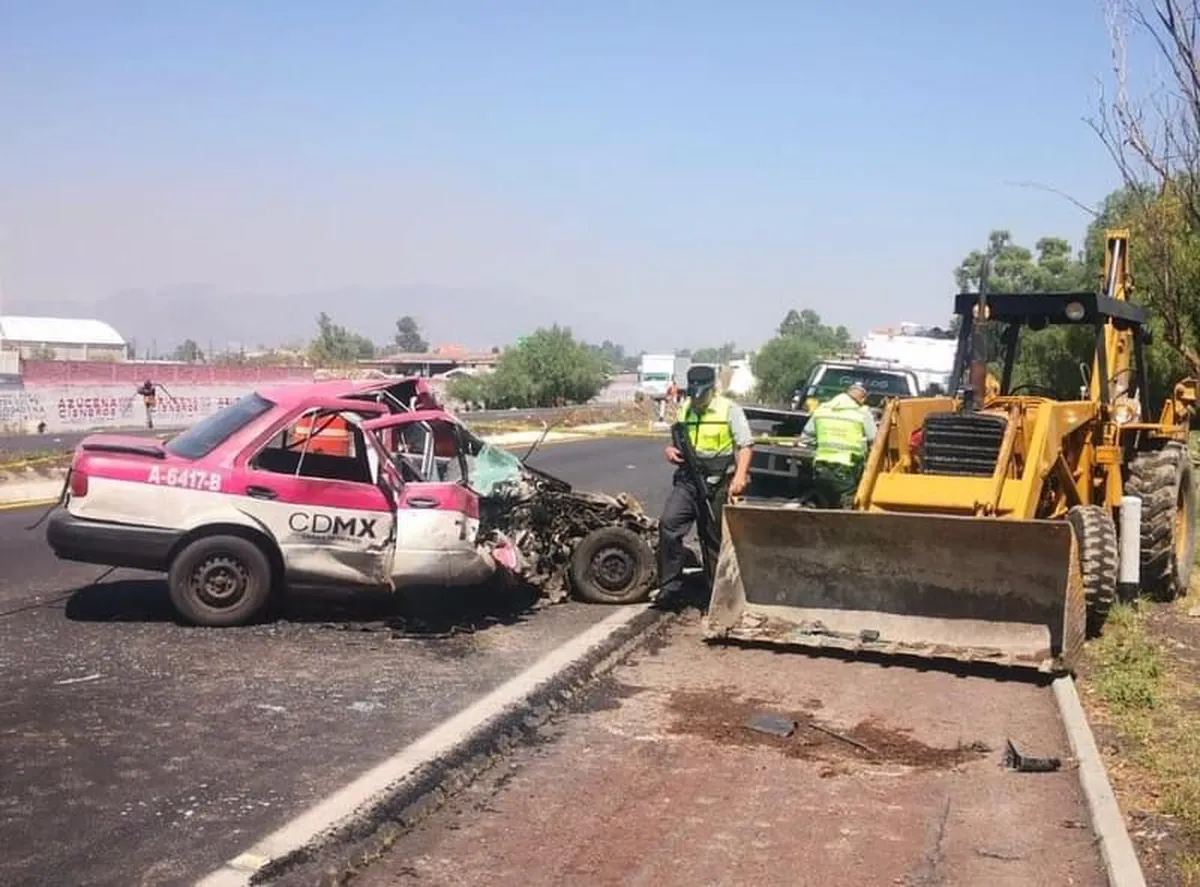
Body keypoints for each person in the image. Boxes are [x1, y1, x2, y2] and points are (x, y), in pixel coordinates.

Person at [655, 364, 754, 605]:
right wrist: (670, 451)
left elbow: (745, 445)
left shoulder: (729, 410)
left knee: (712, 537)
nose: (697, 400)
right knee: (669, 524)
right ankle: (670, 587)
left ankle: (716, 595)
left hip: (718, 480)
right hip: (688, 479)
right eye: (694, 394)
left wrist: (740, 476)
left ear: (712, 390)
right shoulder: (687, 408)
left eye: (702, 395)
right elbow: (678, 440)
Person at [798, 381, 876, 508]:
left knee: (824, 502)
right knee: (847, 504)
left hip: (821, 467)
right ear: (863, 398)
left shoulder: (822, 410)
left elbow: (805, 439)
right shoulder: (862, 413)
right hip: (847, 468)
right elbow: (874, 440)